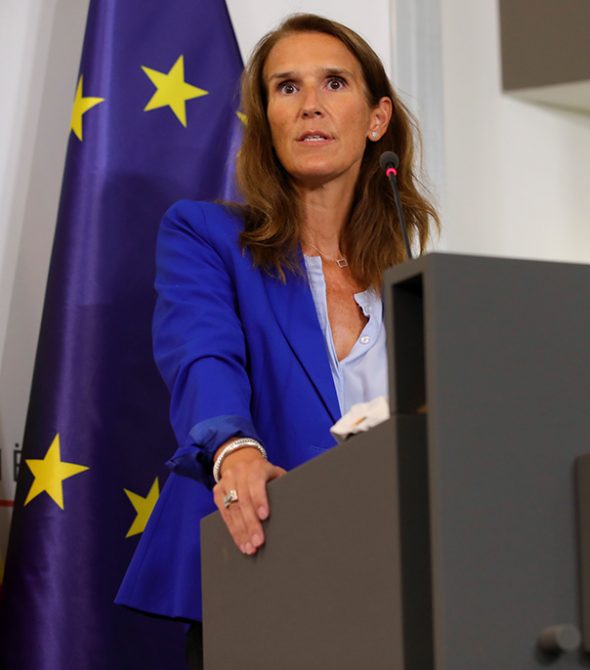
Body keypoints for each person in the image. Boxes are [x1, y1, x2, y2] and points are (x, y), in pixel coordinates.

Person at [115, 13, 438, 668]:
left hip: (397, 579)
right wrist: (234, 450)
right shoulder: (206, 237)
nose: (310, 105)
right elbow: (202, 356)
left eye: (334, 84)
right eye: (286, 87)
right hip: (263, 564)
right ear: (265, 118)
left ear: (377, 119)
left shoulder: (415, 282)